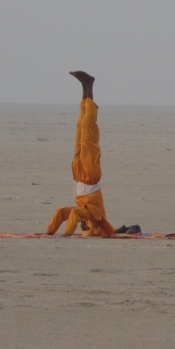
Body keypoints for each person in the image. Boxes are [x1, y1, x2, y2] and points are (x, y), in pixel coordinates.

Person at [46, 71, 115, 237]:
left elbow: (65, 214)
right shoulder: (95, 216)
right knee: (87, 131)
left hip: (78, 174)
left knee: (79, 128)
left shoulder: (83, 214)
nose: (84, 227)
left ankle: (84, 91)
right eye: (87, 228)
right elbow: (79, 217)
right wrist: (69, 233)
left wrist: (49, 233)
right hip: (90, 176)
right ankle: (89, 88)